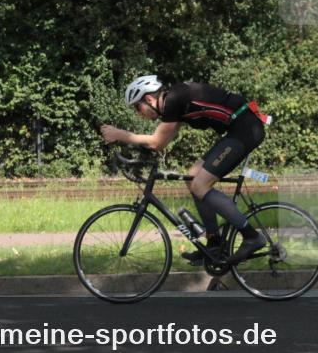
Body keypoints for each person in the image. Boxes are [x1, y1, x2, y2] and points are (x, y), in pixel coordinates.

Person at [99, 74, 267, 265]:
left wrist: (120, 134)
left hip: (245, 129)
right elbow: (161, 144)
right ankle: (213, 243)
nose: (139, 113)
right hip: (238, 129)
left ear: (149, 99)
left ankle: (252, 236)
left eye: (138, 107)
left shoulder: (174, 100)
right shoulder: (175, 103)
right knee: (192, 176)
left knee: (200, 185)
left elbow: (155, 142)